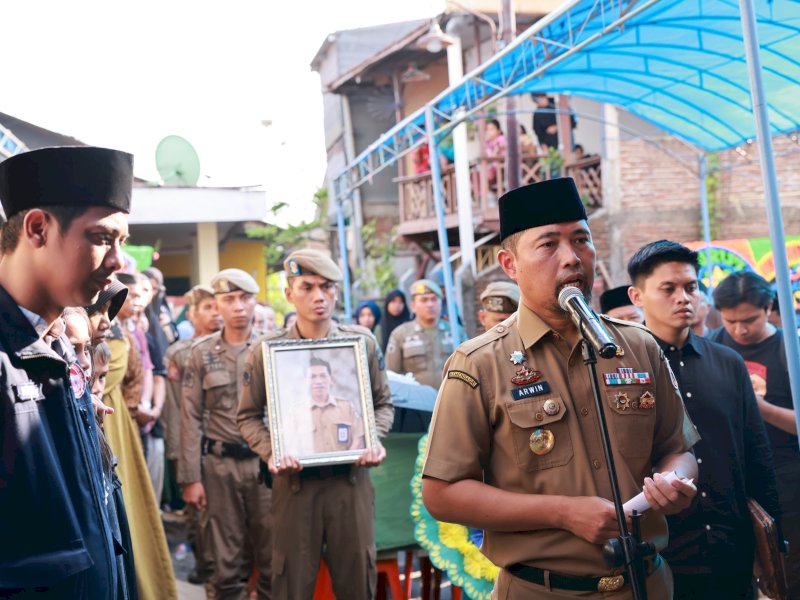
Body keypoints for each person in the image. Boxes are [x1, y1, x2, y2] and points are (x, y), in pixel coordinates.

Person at [421, 177, 699, 600]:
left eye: (581, 240)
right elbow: (442, 493)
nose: (572, 258)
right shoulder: (478, 363)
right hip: (542, 589)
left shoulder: (638, 345)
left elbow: (678, 449)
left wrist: (673, 483)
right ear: (510, 264)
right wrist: (563, 513)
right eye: (549, 244)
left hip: (646, 583)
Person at [0, 146, 132, 598]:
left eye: (123, 243)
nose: (118, 262)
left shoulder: (61, 340)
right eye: (101, 238)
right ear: (38, 228)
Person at [237, 248, 394, 599]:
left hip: (350, 483)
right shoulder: (266, 350)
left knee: (357, 583)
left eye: (327, 287)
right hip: (294, 487)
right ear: (289, 292)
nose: (319, 296)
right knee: (291, 583)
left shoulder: (361, 344)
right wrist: (271, 450)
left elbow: (383, 404)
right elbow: (247, 417)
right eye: (307, 287)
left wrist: (373, 437)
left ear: (337, 291)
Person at [627, 240, 781, 599]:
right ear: (637, 296)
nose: (683, 297)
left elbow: (756, 452)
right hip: (660, 554)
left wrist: (772, 540)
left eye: (690, 287)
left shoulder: (728, 362)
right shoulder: (625, 369)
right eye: (668, 288)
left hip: (731, 547)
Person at [180, 269, 272, 600]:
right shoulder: (200, 353)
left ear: (254, 303)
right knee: (225, 565)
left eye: (245, 299)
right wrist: (191, 478)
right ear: (217, 303)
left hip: (265, 467)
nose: (237, 307)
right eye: (228, 299)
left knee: (273, 560)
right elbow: (189, 417)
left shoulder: (270, 348)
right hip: (218, 468)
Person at [709, 271, 800, 597]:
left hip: (786, 478)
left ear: (769, 307)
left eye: (749, 320)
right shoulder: (713, 346)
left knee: (789, 570)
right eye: (730, 321)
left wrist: (759, 406)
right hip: (731, 476)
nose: (740, 330)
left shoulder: (790, 349)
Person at [90, 276, 178, 600]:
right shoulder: (78, 335)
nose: (104, 319)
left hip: (116, 425)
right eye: (98, 310)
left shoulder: (119, 335)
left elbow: (138, 373)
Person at [163, 284, 221, 585]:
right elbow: (173, 406)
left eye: (217, 307)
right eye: (208, 308)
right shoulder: (179, 353)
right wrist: (176, 453)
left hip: (224, 443)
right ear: (193, 313)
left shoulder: (233, 347)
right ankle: (204, 565)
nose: (216, 314)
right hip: (191, 444)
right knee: (198, 513)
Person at [386, 279, 455, 388]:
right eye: (424, 300)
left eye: (434, 299)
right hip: (416, 403)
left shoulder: (455, 331)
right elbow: (392, 376)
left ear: (441, 303)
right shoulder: (400, 335)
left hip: (451, 399)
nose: (430, 304)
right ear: (413, 306)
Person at [484, 118, 507, 186]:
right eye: (487, 130)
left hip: (502, 167)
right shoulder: (488, 143)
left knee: (485, 175)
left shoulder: (502, 139)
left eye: (491, 129)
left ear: (499, 130)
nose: (489, 132)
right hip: (494, 168)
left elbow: (501, 154)